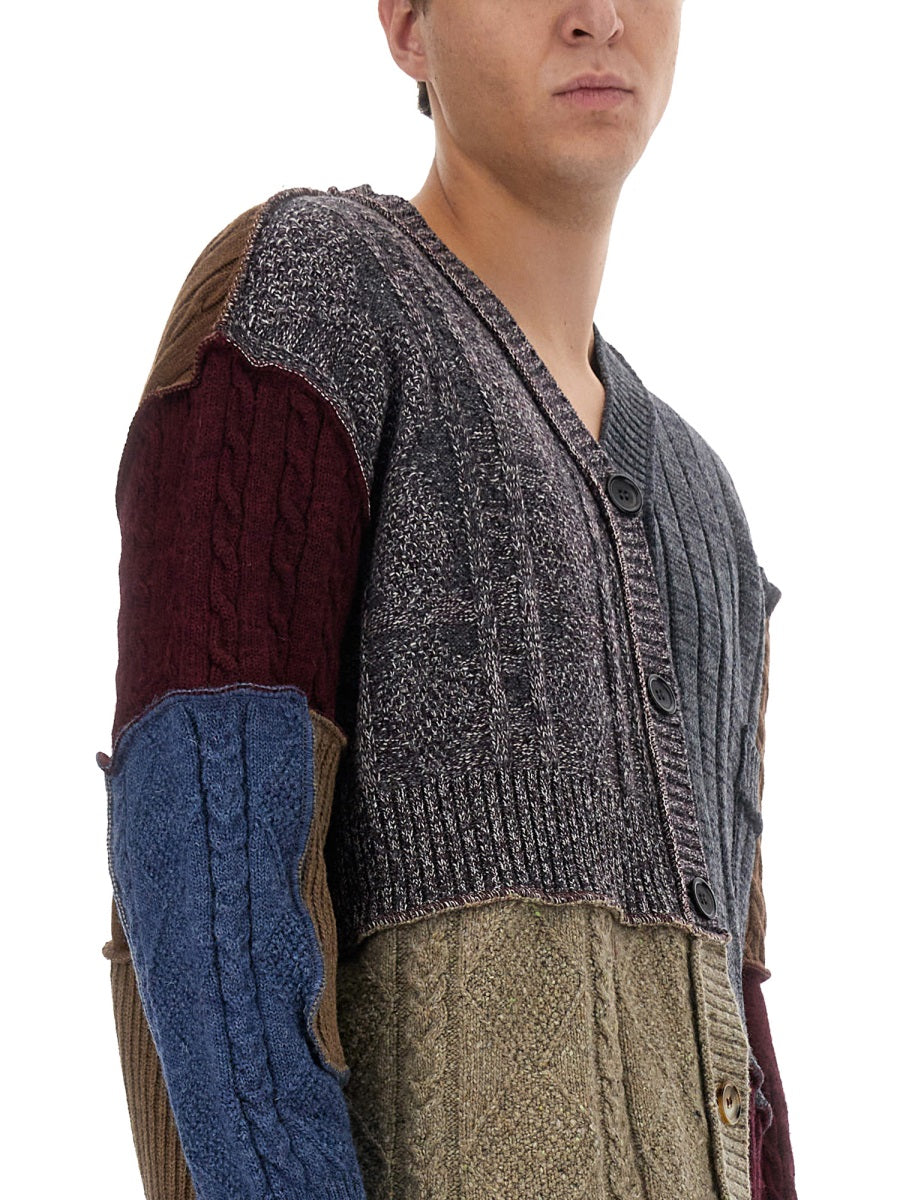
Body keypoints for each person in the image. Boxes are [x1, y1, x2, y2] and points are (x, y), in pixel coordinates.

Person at [98, 2, 798, 1198]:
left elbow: (743, 1043)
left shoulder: (704, 506)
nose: (597, 16)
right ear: (408, 24)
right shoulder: (313, 302)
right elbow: (211, 915)